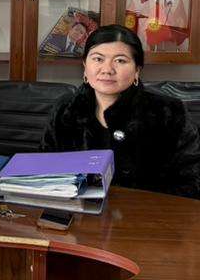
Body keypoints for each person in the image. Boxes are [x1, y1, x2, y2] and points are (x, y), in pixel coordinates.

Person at [42, 24, 200, 198]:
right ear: (85, 66)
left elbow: (194, 182)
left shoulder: (169, 113)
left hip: (149, 212)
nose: (107, 70)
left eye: (120, 61)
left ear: (137, 70)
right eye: (98, 59)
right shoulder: (65, 110)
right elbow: (44, 174)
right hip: (78, 211)